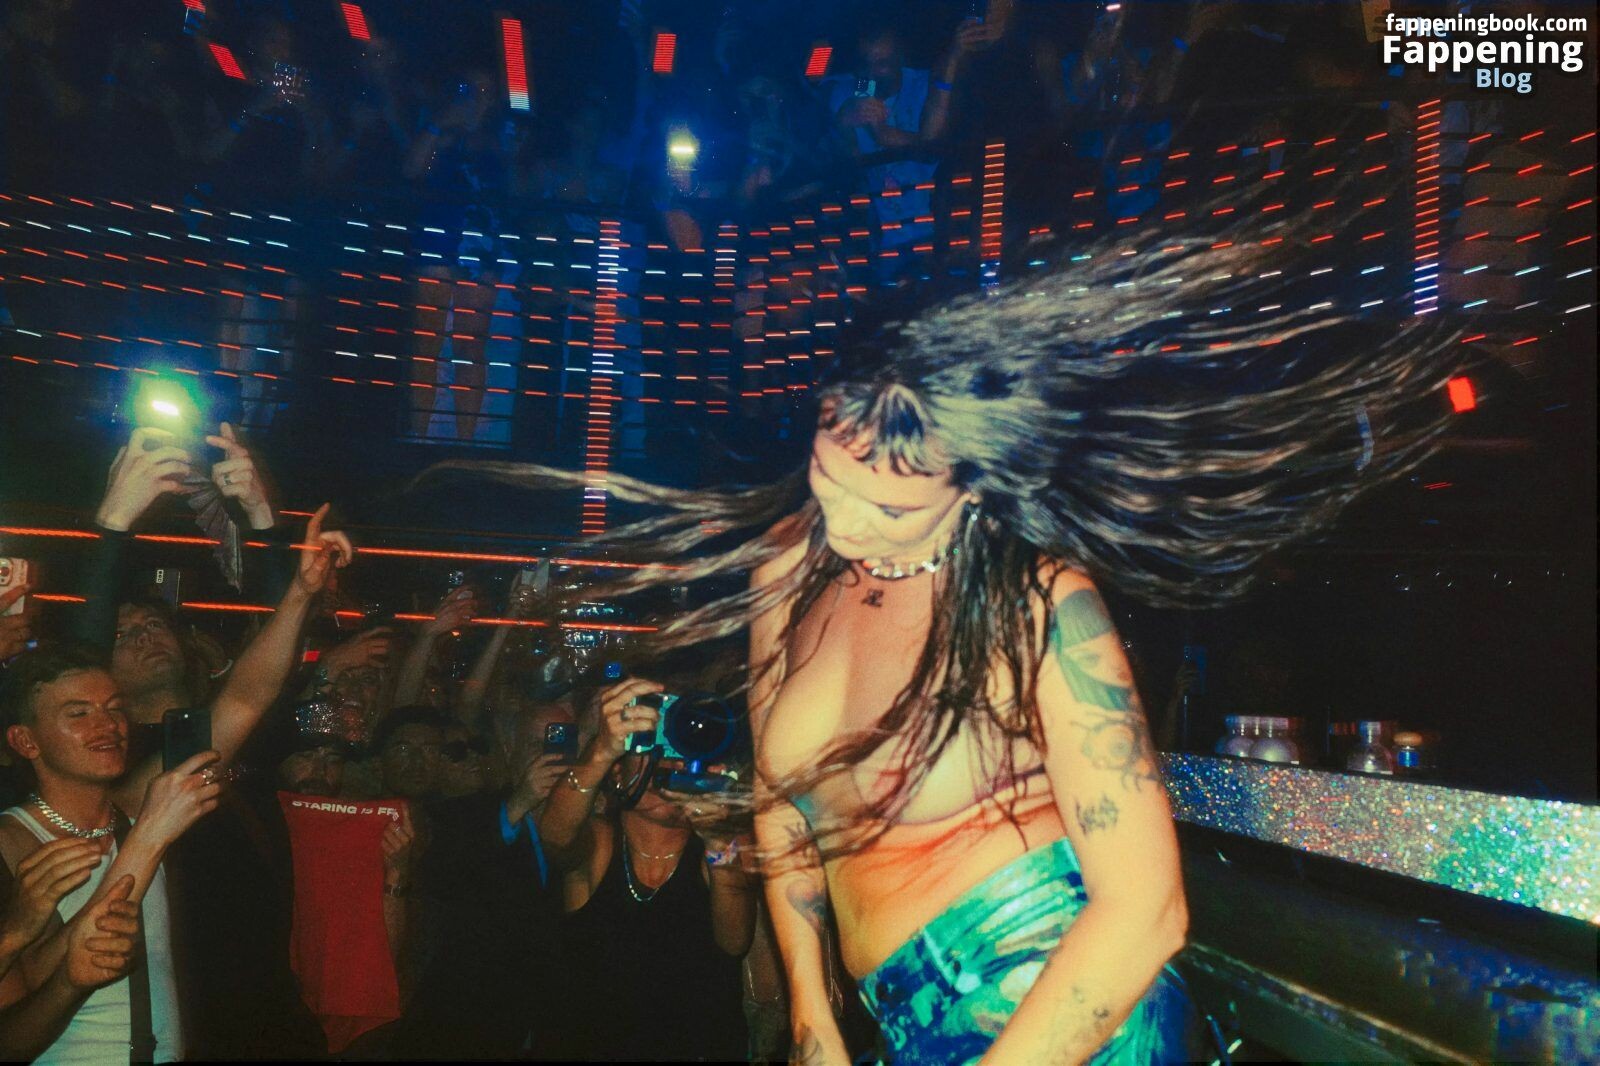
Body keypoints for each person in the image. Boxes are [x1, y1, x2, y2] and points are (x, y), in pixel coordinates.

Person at [439, 202, 1460, 1062]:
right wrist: (810, 1013)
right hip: (898, 1019)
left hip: (1065, 1018)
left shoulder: (1038, 604)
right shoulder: (786, 570)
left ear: (973, 486)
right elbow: (786, 812)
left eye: (888, 509)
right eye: (828, 479)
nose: (845, 525)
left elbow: (1146, 910)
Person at [0, 504, 350, 1062]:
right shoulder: (11, 842)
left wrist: (300, 594)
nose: (107, 724)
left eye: (114, 707)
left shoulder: (133, 806)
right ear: (26, 741)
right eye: (79, 714)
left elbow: (244, 698)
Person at [537, 681, 757, 1061]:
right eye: (651, 750)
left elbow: (734, 942)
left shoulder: (721, 850)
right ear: (616, 775)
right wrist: (600, 750)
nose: (665, 763)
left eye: (677, 753)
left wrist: (720, 841)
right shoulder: (601, 842)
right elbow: (555, 838)